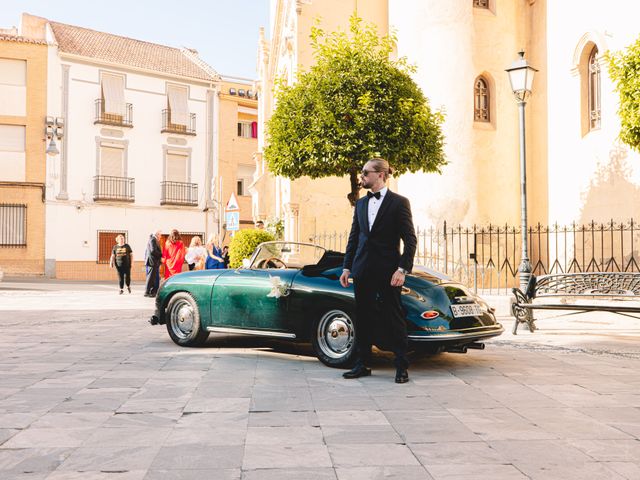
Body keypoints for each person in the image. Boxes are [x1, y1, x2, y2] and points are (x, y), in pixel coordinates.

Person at [339, 157, 417, 384]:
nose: (362, 176)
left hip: (389, 271)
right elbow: (354, 237)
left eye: (366, 172)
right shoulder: (361, 204)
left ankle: (401, 366)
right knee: (362, 317)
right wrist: (346, 267)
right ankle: (362, 363)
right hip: (362, 269)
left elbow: (410, 240)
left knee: (394, 317)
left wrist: (402, 269)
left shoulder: (399, 202)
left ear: (381, 175)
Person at [144, 230, 162, 297]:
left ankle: (151, 292)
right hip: (152, 262)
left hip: (154, 262)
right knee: (150, 277)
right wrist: (161, 255)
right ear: (157, 234)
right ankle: (146, 291)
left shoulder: (154, 240)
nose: (161, 236)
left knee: (153, 277)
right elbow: (153, 251)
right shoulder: (152, 240)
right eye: (160, 235)